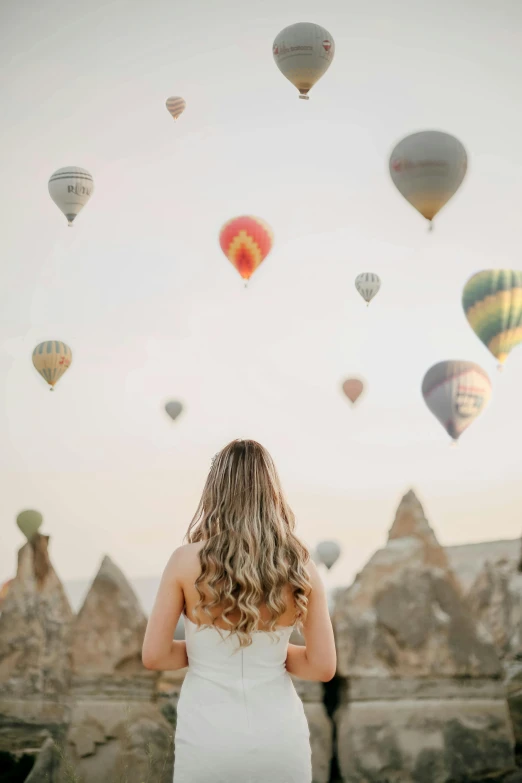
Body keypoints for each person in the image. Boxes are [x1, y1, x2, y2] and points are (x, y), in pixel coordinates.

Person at [142, 438, 337, 783]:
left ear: (215, 490)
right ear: (271, 491)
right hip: (281, 744)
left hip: (208, 742)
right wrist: (268, 652)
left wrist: (211, 651)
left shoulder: (184, 561)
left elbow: (155, 656)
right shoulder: (301, 566)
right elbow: (322, 667)